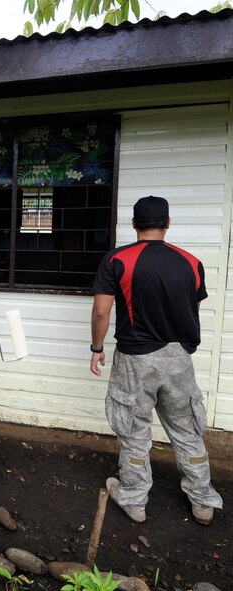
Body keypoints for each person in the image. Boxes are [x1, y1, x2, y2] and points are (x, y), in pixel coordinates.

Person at [90, 195, 223, 526]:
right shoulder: (191, 262)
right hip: (179, 357)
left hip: (136, 359)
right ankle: (203, 500)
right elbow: (193, 310)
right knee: (187, 427)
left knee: (135, 429)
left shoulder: (117, 260)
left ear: (134, 224)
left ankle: (134, 500)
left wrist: (97, 347)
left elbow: (102, 310)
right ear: (167, 223)